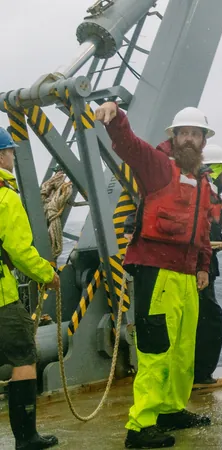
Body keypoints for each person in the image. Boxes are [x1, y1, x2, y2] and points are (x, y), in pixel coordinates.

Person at [95, 103, 215, 448]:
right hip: (157, 271)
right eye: (184, 133)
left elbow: (203, 228)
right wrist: (116, 116)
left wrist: (204, 265)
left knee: (182, 348)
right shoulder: (159, 167)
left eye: (196, 134)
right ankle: (140, 426)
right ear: (174, 138)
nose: (190, 139)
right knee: (156, 349)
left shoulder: (202, 181)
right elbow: (129, 145)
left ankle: (172, 409)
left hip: (187, 275)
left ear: (203, 141)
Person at [0, 127, 61, 449]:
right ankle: (26, 438)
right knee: (24, 357)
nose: (12, 157)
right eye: (10, 151)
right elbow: (21, 251)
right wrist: (45, 274)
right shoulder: (5, 197)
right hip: (1, 299)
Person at [192, 143, 222, 390]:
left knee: (200, 318)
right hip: (199, 266)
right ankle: (200, 376)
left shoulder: (204, 192)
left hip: (203, 261)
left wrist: (219, 242)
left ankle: (195, 374)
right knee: (209, 319)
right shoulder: (203, 192)